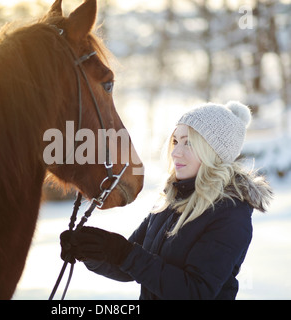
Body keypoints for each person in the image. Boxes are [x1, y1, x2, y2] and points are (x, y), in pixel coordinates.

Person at [60, 101, 273, 300]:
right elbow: (129, 266)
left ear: (214, 152)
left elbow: (195, 292)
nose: (176, 153)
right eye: (175, 141)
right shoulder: (172, 199)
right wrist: (92, 251)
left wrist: (124, 253)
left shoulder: (230, 214)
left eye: (189, 143)